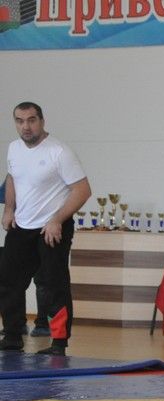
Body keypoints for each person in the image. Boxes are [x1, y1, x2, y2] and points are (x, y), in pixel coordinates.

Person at [0, 101, 91, 356]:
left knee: (53, 284)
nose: (25, 126)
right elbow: (11, 177)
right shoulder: (14, 148)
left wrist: (57, 219)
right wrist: (9, 209)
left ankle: (59, 343)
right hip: (22, 224)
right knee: (8, 281)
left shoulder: (59, 152)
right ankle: (12, 336)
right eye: (19, 121)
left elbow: (82, 190)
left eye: (31, 120)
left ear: (41, 121)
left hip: (52, 228)